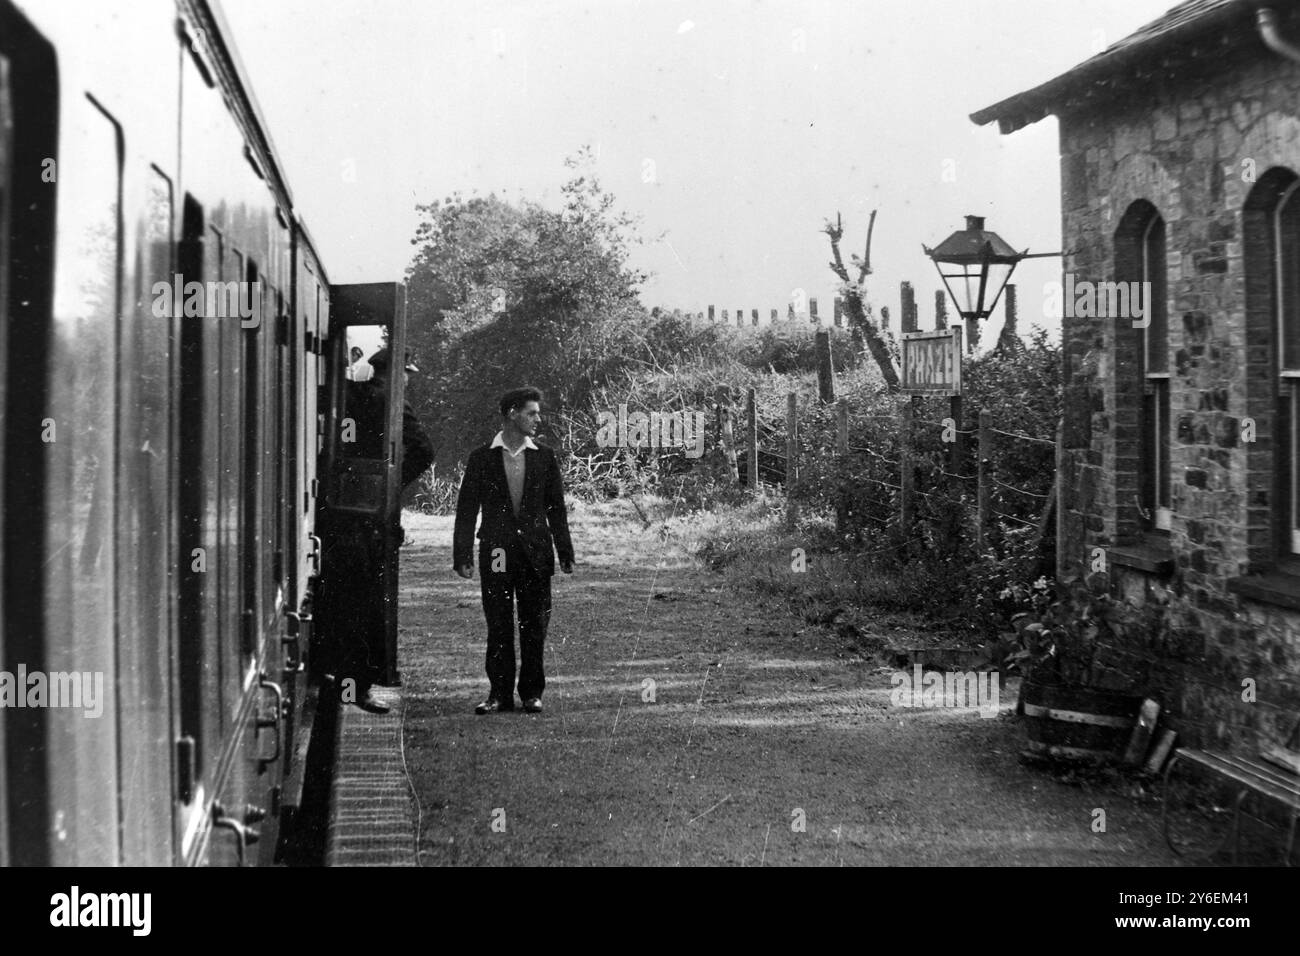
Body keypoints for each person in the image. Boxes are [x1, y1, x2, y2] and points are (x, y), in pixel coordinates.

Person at [453, 386, 574, 714]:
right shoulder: (482, 458)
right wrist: (462, 556)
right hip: (496, 552)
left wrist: (565, 552)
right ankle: (499, 695)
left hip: (535, 553)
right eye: (531, 413)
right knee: (499, 623)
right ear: (512, 413)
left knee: (535, 625)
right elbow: (467, 509)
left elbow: (556, 509)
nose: (537, 418)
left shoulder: (544, 456)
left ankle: (532, 693)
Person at [337, 347, 434, 713]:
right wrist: (391, 486)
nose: (409, 379)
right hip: (373, 518)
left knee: (343, 599)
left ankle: (341, 680)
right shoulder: (394, 403)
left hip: (340, 509)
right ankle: (358, 687)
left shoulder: (349, 394)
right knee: (368, 602)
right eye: (407, 372)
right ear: (395, 373)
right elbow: (424, 450)